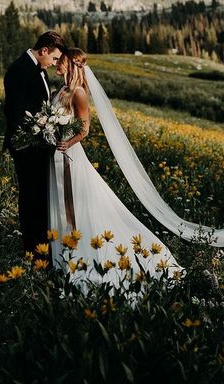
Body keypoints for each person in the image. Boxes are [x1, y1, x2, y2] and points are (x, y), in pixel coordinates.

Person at [48, 48, 183, 289]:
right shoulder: (62, 90)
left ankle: (79, 257)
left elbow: (85, 129)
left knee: (75, 206)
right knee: (60, 204)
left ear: (72, 65)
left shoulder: (78, 93)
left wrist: (65, 142)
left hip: (68, 156)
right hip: (55, 156)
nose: (57, 64)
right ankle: (61, 259)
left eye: (62, 61)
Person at [3, 30, 66, 254]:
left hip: (40, 146)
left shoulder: (40, 70)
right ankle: (32, 249)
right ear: (44, 50)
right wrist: (35, 132)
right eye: (55, 58)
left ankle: (42, 247)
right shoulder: (19, 70)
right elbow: (14, 112)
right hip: (26, 146)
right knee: (31, 199)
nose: (55, 63)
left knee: (40, 198)